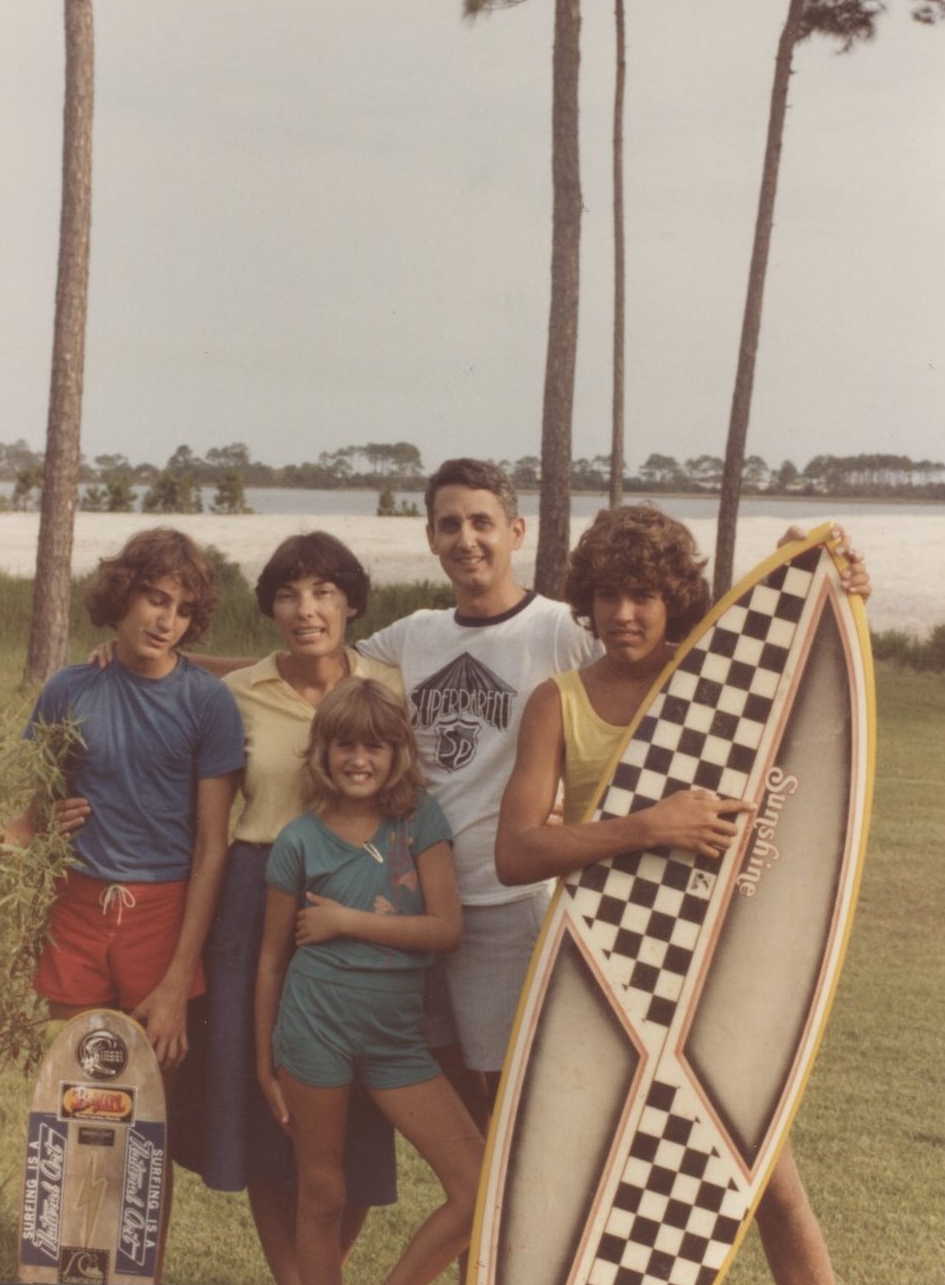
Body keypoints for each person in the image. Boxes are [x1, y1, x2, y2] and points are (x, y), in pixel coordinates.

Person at [494, 505, 872, 1285]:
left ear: (673, 595)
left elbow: (795, 646)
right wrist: (645, 826)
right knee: (596, 1190)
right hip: (610, 960)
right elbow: (516, 850)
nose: (623, 614)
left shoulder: (711, 671)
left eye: (641, 594)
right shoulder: (557, 701)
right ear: (586, 600)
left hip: (718, 957)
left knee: (757, 1176)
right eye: (606, 595)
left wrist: (832, 577)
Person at [0, 528, 246, 1276]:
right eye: (153, 597)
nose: (165, 618)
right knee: (76, 1101)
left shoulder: (206, 703)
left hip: (163, 915)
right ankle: (70, 1265)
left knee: (147, 1119)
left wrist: (179, 979)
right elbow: (36, 817)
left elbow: (213, 845)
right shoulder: (70, 688)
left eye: (181, 608)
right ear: (123, 594)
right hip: (79, 909)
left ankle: (135, 1268)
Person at [178, 533, 405, 1285]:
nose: (305, 609)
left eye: (323, 591)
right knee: (264, 1099)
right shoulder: (236, 694)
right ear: (271, 606)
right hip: (255, 896)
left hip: (362, 898)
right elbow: (209, 823)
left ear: (351, 602)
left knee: (361, 1104)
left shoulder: (388, 683)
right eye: (287, 593)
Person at [354, 458, 603, 1127]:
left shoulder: (559, 630)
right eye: (449, 524)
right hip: (417, 899)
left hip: (507, 902)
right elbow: (311, 670)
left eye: (482, 522)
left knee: (514, 1101)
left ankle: (505, 1232)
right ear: (431, 539)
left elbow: (657, 676)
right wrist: (170, 664)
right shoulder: (416, 633)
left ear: (516, 531)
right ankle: (477, 1227)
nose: (466, 538)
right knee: (451, 1094)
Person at [254, 676, 484, 1285]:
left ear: (398, 753)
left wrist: (344, 921)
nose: (359, 760)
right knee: (322, 1191)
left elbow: (446, 929)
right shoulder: (298, 840)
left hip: (396, 1043)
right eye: (345, 746)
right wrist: (263, 1063)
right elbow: (272, 962)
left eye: (376, 747)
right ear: (323, 753)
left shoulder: (418, 822)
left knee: (478, 1186)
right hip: (313, 1032)